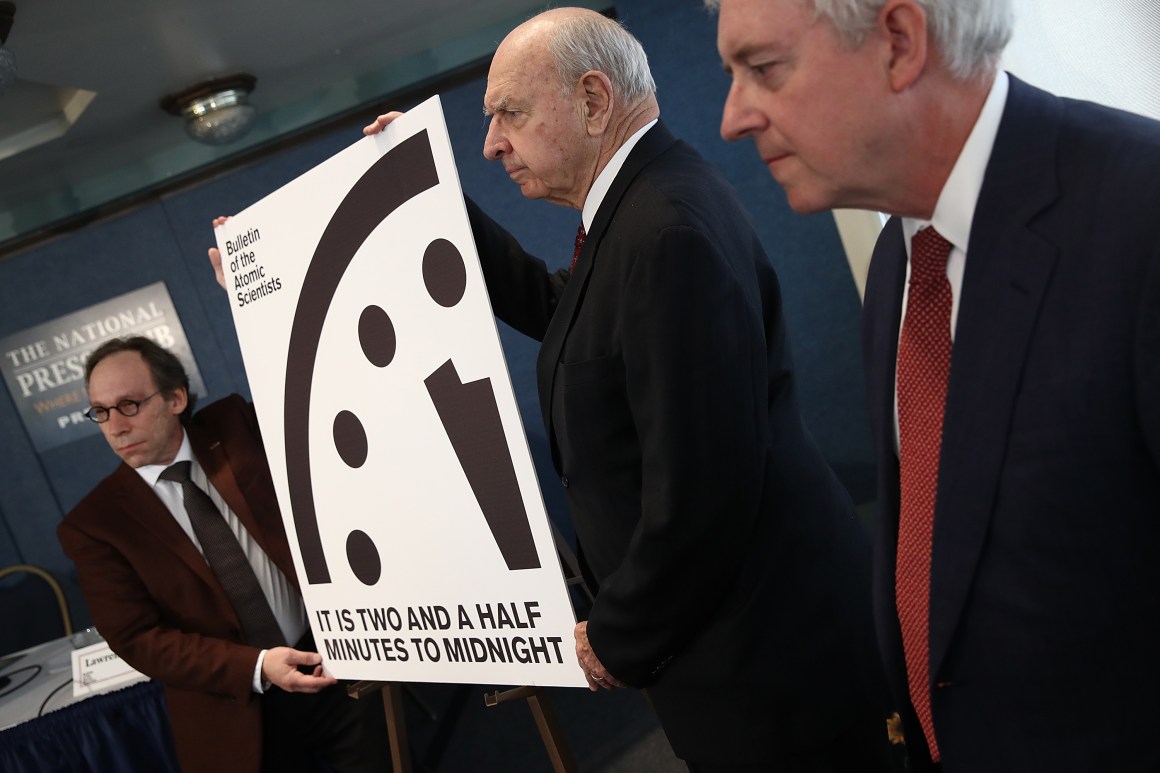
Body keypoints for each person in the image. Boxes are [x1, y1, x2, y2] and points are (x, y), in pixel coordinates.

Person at [360, 8, 890, 771]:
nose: (491, 142)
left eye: (508, 112)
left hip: (769, 668)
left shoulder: (663, 228)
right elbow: (564, 313)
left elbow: (703, 490)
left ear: (594, 100)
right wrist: (432, 198)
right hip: (745, 650)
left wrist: (615, 633)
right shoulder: (644, 205)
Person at [712, 1, 1160, 771]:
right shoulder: (899, 264)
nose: (731, 117)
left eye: (763, 69)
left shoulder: (1138, 216)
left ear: (898, 41)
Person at [57, 337, 390, 773]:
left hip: (334, 665)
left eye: (129, 405)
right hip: (238, 709)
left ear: (176, 398)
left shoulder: (235, 428)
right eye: (100, 412)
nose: (115, 426)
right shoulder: (96, 524)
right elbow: (136, 637)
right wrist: (257, 666)